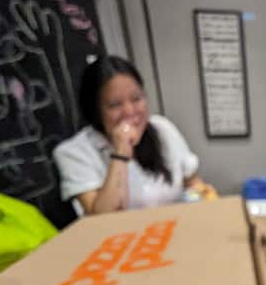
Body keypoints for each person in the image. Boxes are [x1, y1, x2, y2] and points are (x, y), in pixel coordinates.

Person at [54, 56, 215, 215]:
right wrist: (121, 153)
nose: (130, 112)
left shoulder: (162, 128)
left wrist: (200, 195)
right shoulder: (72, 152)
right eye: (115, 104)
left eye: (136, 99)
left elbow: (192, 182)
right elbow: (102, 218)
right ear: (95, 111)